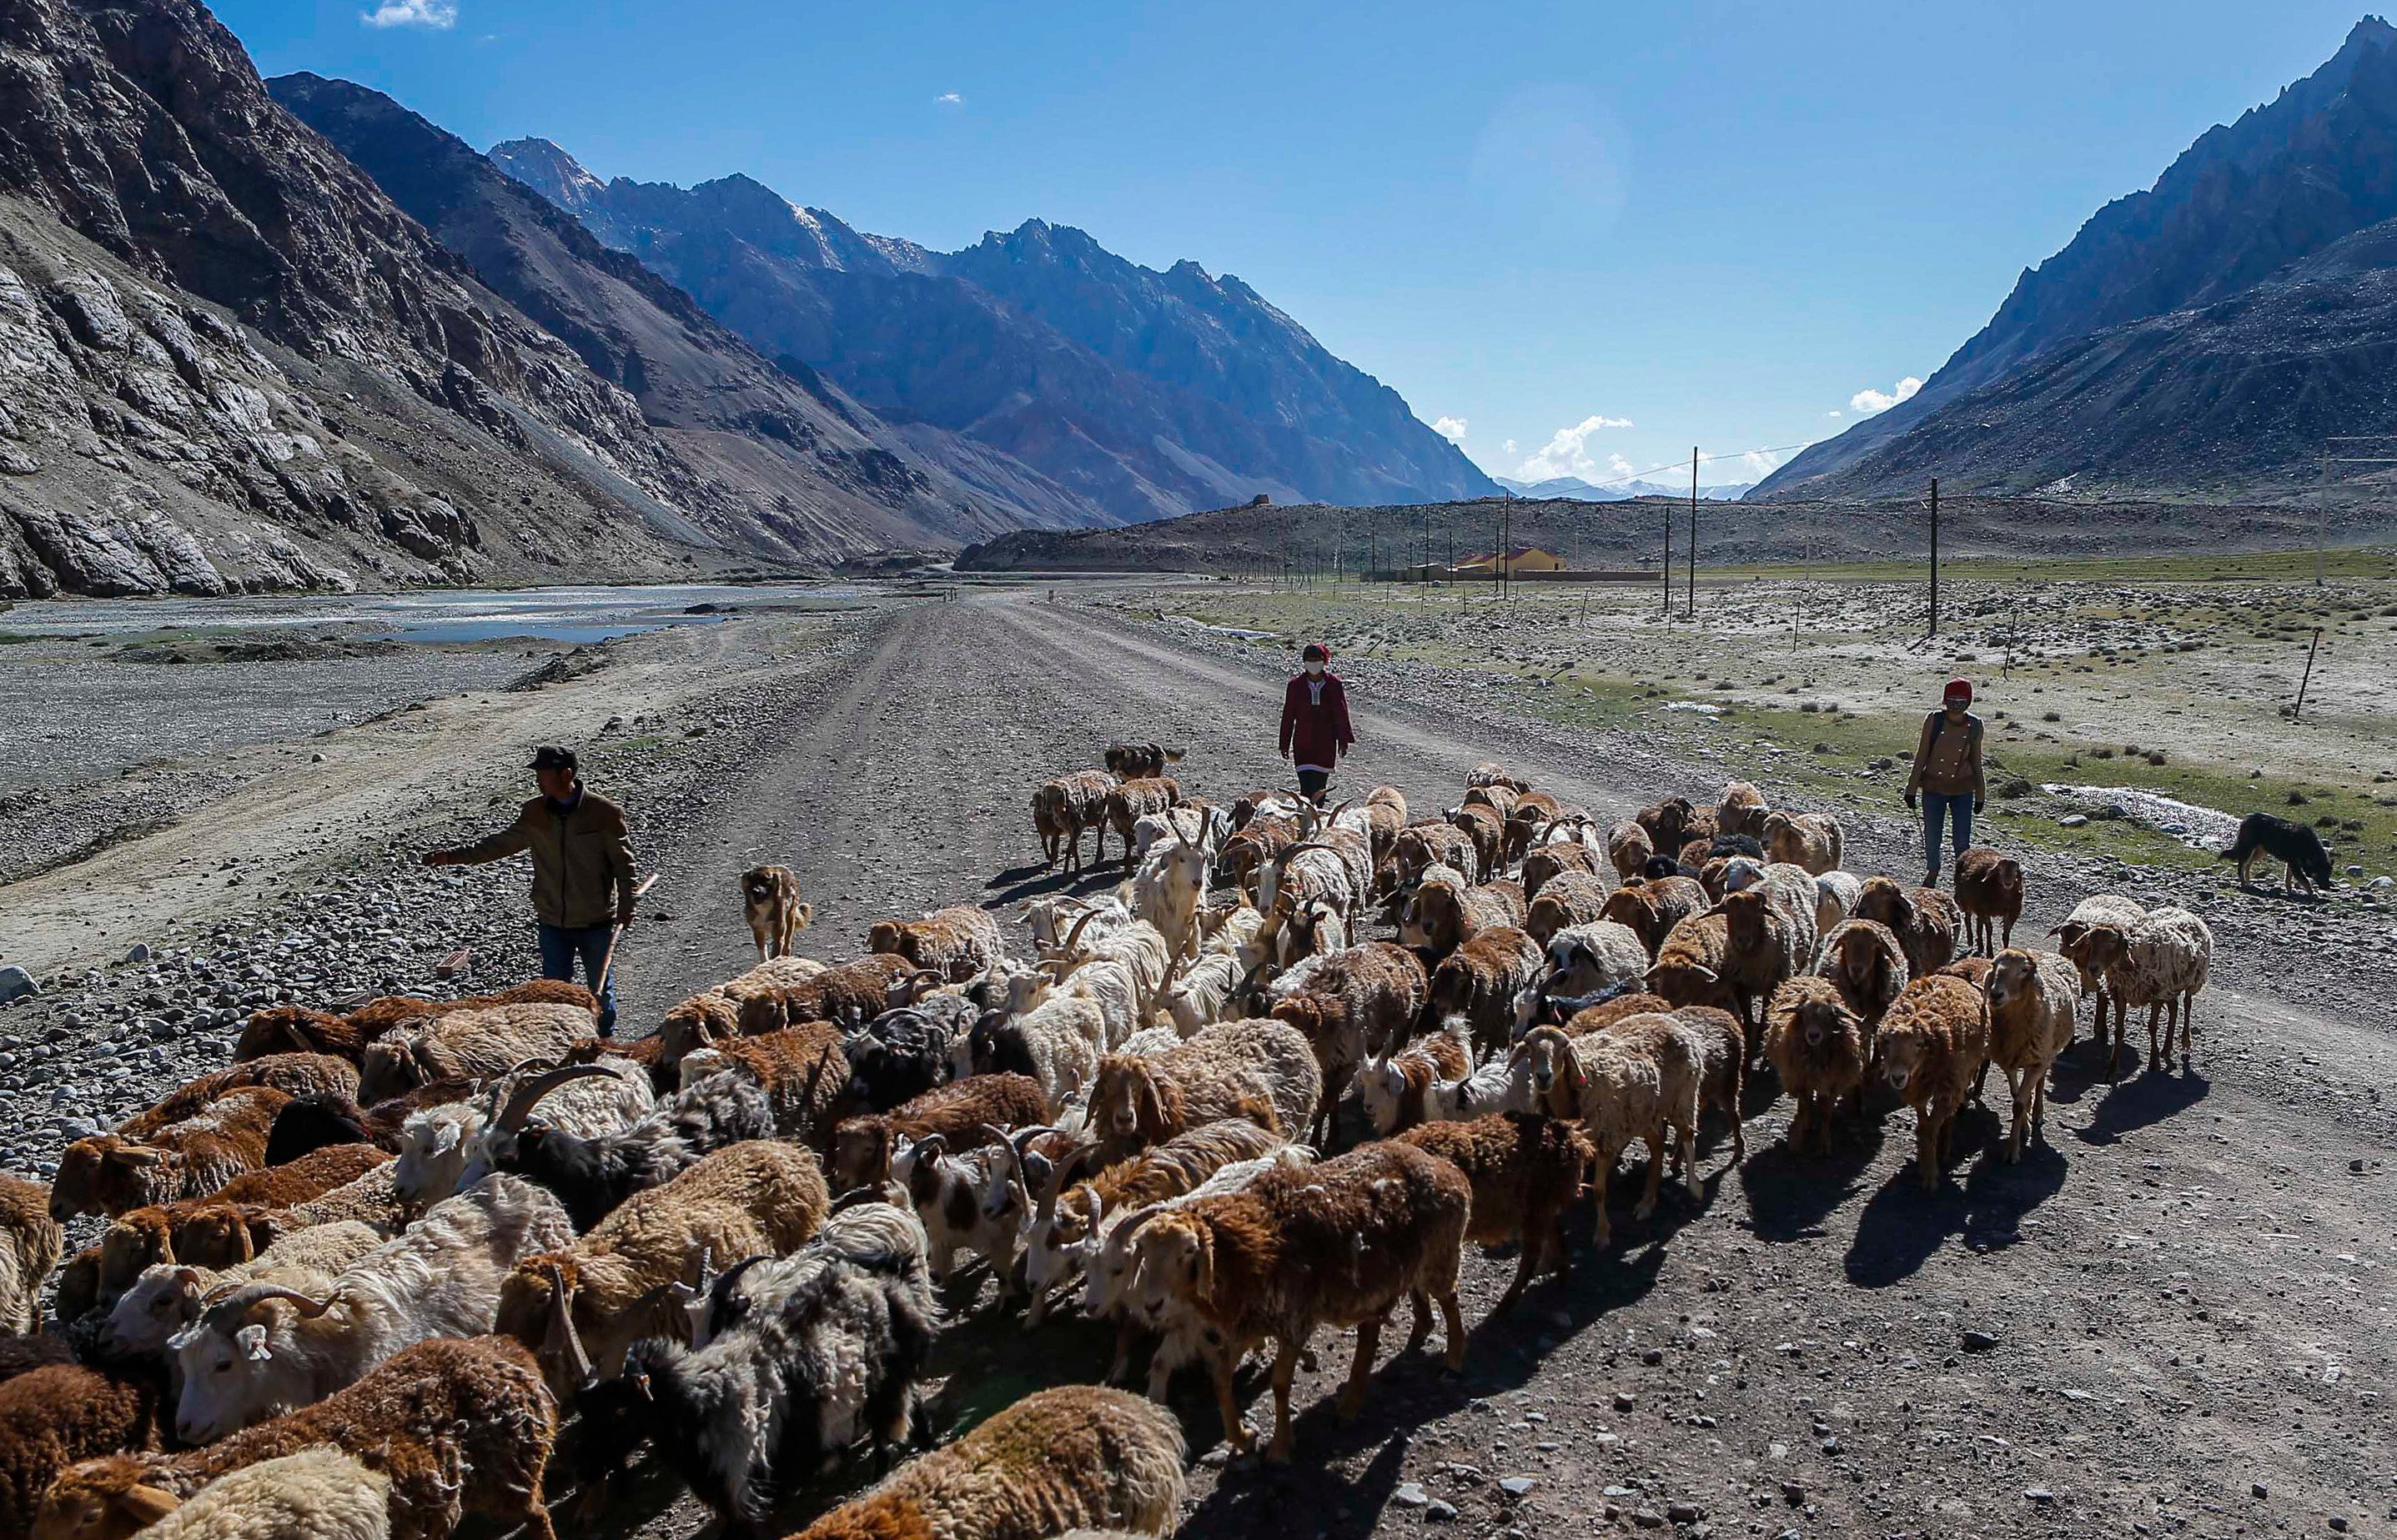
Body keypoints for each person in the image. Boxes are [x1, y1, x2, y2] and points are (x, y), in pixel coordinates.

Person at [421, 745, 639, 1035]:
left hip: (595, 921)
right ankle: (562, 1045)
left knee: (600, 993)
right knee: (552, 995)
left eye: (544, 774)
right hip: (551, 921)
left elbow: (624, 866)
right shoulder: (535, 812)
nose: (539, 780)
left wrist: (626, 906)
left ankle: (604, 1042)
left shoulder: (603, 813)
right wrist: (453, 856)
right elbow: (500, 845)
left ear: (567, 774)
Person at [1904, 678, 1986, 888]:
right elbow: (1921, 756)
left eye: (1961, 700)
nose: (1956, 704)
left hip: (1963, 790)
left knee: (1962, 840)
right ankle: (1933, 871)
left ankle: (1962, 879)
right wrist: (1911, 789)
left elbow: (1977, 762)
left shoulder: (1975, 725)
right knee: (1932, 835)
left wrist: (1981, 795)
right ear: (1945, 701)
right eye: (1952, 700)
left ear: (1968, 702)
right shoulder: (1934, 721)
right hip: (1933, 788)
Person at [1278, 641, 1354, 800]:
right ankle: (1307, 820)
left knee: (1320, 789)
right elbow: (1288, 716)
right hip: (1303, 743)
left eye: (1317, 659)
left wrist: (1343, 741)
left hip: (1325, 744)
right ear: (1304, 662)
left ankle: (1318, 819)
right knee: (1305, 789)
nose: (1313, 664)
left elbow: (1341, 713)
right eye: (1310, 660)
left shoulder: (1334, 684)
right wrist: (1284, 744)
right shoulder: (1295, 686)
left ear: (1324, 661)